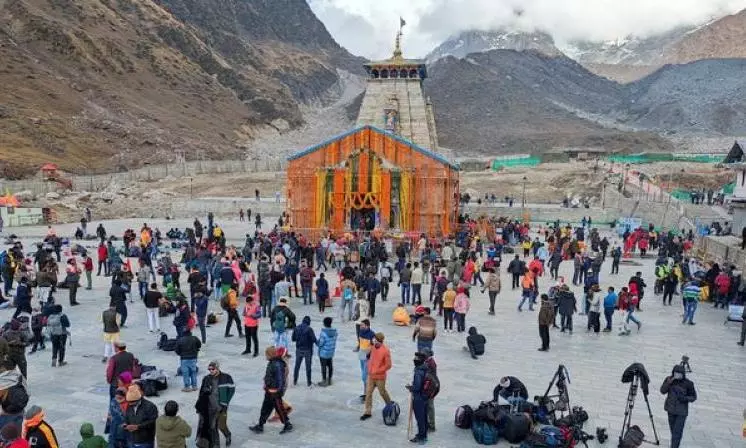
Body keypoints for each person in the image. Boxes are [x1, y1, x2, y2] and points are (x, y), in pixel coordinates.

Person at [249, 347, 293, 435]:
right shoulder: (272, 362)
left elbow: (280, 379)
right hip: (269, 390)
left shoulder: (277, 364)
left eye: (266, 355)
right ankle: (260, 425)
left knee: (279, 408)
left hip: (275, 392)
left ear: (270, 355)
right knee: (265, 408)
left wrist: (278, 391)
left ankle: (287, 424)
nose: (266, 356)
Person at [197, 361, 235, 446]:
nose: (211, 371)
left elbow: (232, 390)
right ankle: (216, 444)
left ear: (217, 368)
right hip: (209, 407)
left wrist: (225, 401)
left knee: (221, 425)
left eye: (213, 369)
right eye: (209, 369)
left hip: (221, 407)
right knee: (212, 427)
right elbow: (201, 393)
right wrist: (199, 405)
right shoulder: (206, 378)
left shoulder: (226, 377)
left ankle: (227, 434)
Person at [660, 364, 697, 448]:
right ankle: (675, 445)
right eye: (676, 373)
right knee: (673, 431)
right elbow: (662, 391)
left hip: (681, 412)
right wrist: (669, 383)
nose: (677, 375)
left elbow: (693, 397)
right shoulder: (669, 379)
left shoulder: (688, 383)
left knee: (677, 432)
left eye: (679, 374)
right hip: (670, 410)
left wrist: (685, 398)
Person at [360, 332, 392, 421]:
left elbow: (388, 365)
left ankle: (389, 405)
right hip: (371, 375)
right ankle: (367, 411)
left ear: (379, 340)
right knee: (368, 393)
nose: (373, 340)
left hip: (380, 377)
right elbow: (367, 355)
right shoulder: (373, 347)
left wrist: (378, 370)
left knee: (382, 392)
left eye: (375, 339)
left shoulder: (385, 351)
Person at [408, 352, 430, 444]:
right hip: (425, 397)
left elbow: (417, 387)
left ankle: (422, 436)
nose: (414, 360)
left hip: (419, 398)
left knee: (420, 418)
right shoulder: (426, 368)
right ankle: (424, 434)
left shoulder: (418, 372)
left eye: (416, 358)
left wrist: (410, 388)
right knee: (424, 417)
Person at [291, 316, 316, 387]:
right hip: (308, 350)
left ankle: (295, 381)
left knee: (297, 366)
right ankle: (309, 383)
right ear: (309, 322)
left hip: (299, 349)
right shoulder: (309, 329)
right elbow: (314, 339)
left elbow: (293, 339)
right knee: (308, 367)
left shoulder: (296, 328)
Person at [356, 319, 375, 401]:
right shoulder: (360, 332)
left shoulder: (372, 334)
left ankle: (367, 393)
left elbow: (374, 346)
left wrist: (369, 351)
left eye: (362, 325)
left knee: (365, 376)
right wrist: (358, 348)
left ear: (367, 326)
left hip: (368, 357)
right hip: (361, 355)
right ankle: (365, 392)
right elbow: (360, 342)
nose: (360, 326)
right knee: (363, 375)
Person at [316, 317, 337, 387]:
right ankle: (330, 379)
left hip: (323, 353)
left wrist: (317, 342)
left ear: (324, 324)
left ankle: (324, 380)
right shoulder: (335, 332)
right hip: (331, 351)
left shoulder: (323, 333)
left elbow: (321, 343)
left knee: (323, 366)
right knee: (330, 365)